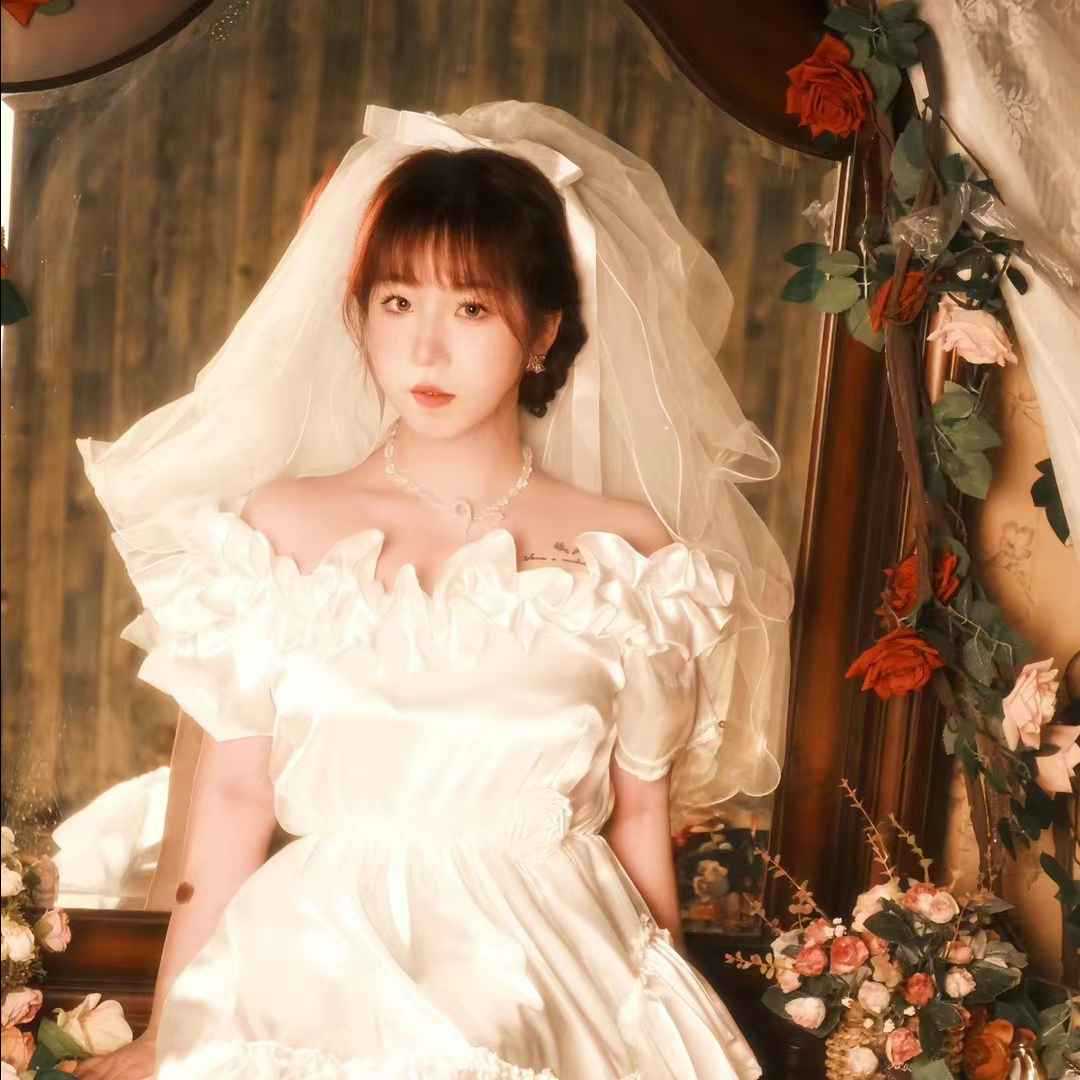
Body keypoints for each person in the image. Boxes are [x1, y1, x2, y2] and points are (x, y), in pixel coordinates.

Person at [74, 102, 792, 1079]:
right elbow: (235, 798)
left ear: (542, 333)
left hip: (558, 986)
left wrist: (664, 1022)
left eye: (471, 309)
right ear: (359, 317)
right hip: (315, 970)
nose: (425, 350)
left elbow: (637, 818)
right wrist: (167, 1031)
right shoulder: (278, 529)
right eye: (398, 302)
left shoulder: (633, 557)